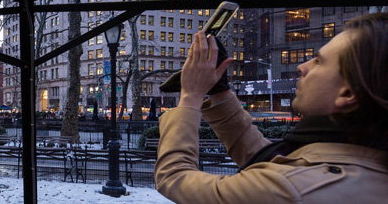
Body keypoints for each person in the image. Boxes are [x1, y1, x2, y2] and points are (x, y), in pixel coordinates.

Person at [155, 13, 388, 204]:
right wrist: (219, 91)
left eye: (318, 61)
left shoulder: (293, 189)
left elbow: (175, 179)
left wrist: (190, 96)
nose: (301, 67)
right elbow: (265, 157)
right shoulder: (364, 158)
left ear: (348, 93)